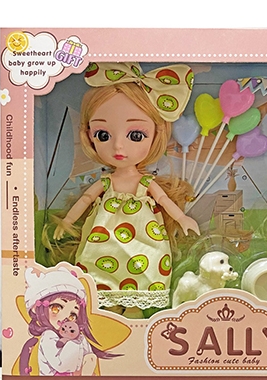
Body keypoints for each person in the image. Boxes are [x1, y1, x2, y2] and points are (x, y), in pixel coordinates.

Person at [52, 62, 199, 318]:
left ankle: (134, 307)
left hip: (144, 240)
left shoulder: (145, 183)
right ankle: (108, 307)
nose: (118, 146)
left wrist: (182, 218)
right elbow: (86, 198)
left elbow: (163, 200)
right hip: (103, 240)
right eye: (103, 135)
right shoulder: (106, 182)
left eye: (136, 135)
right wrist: (67, 221)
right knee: (99, 266)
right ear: (88, 134)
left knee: (146, 264)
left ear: (157, 133)